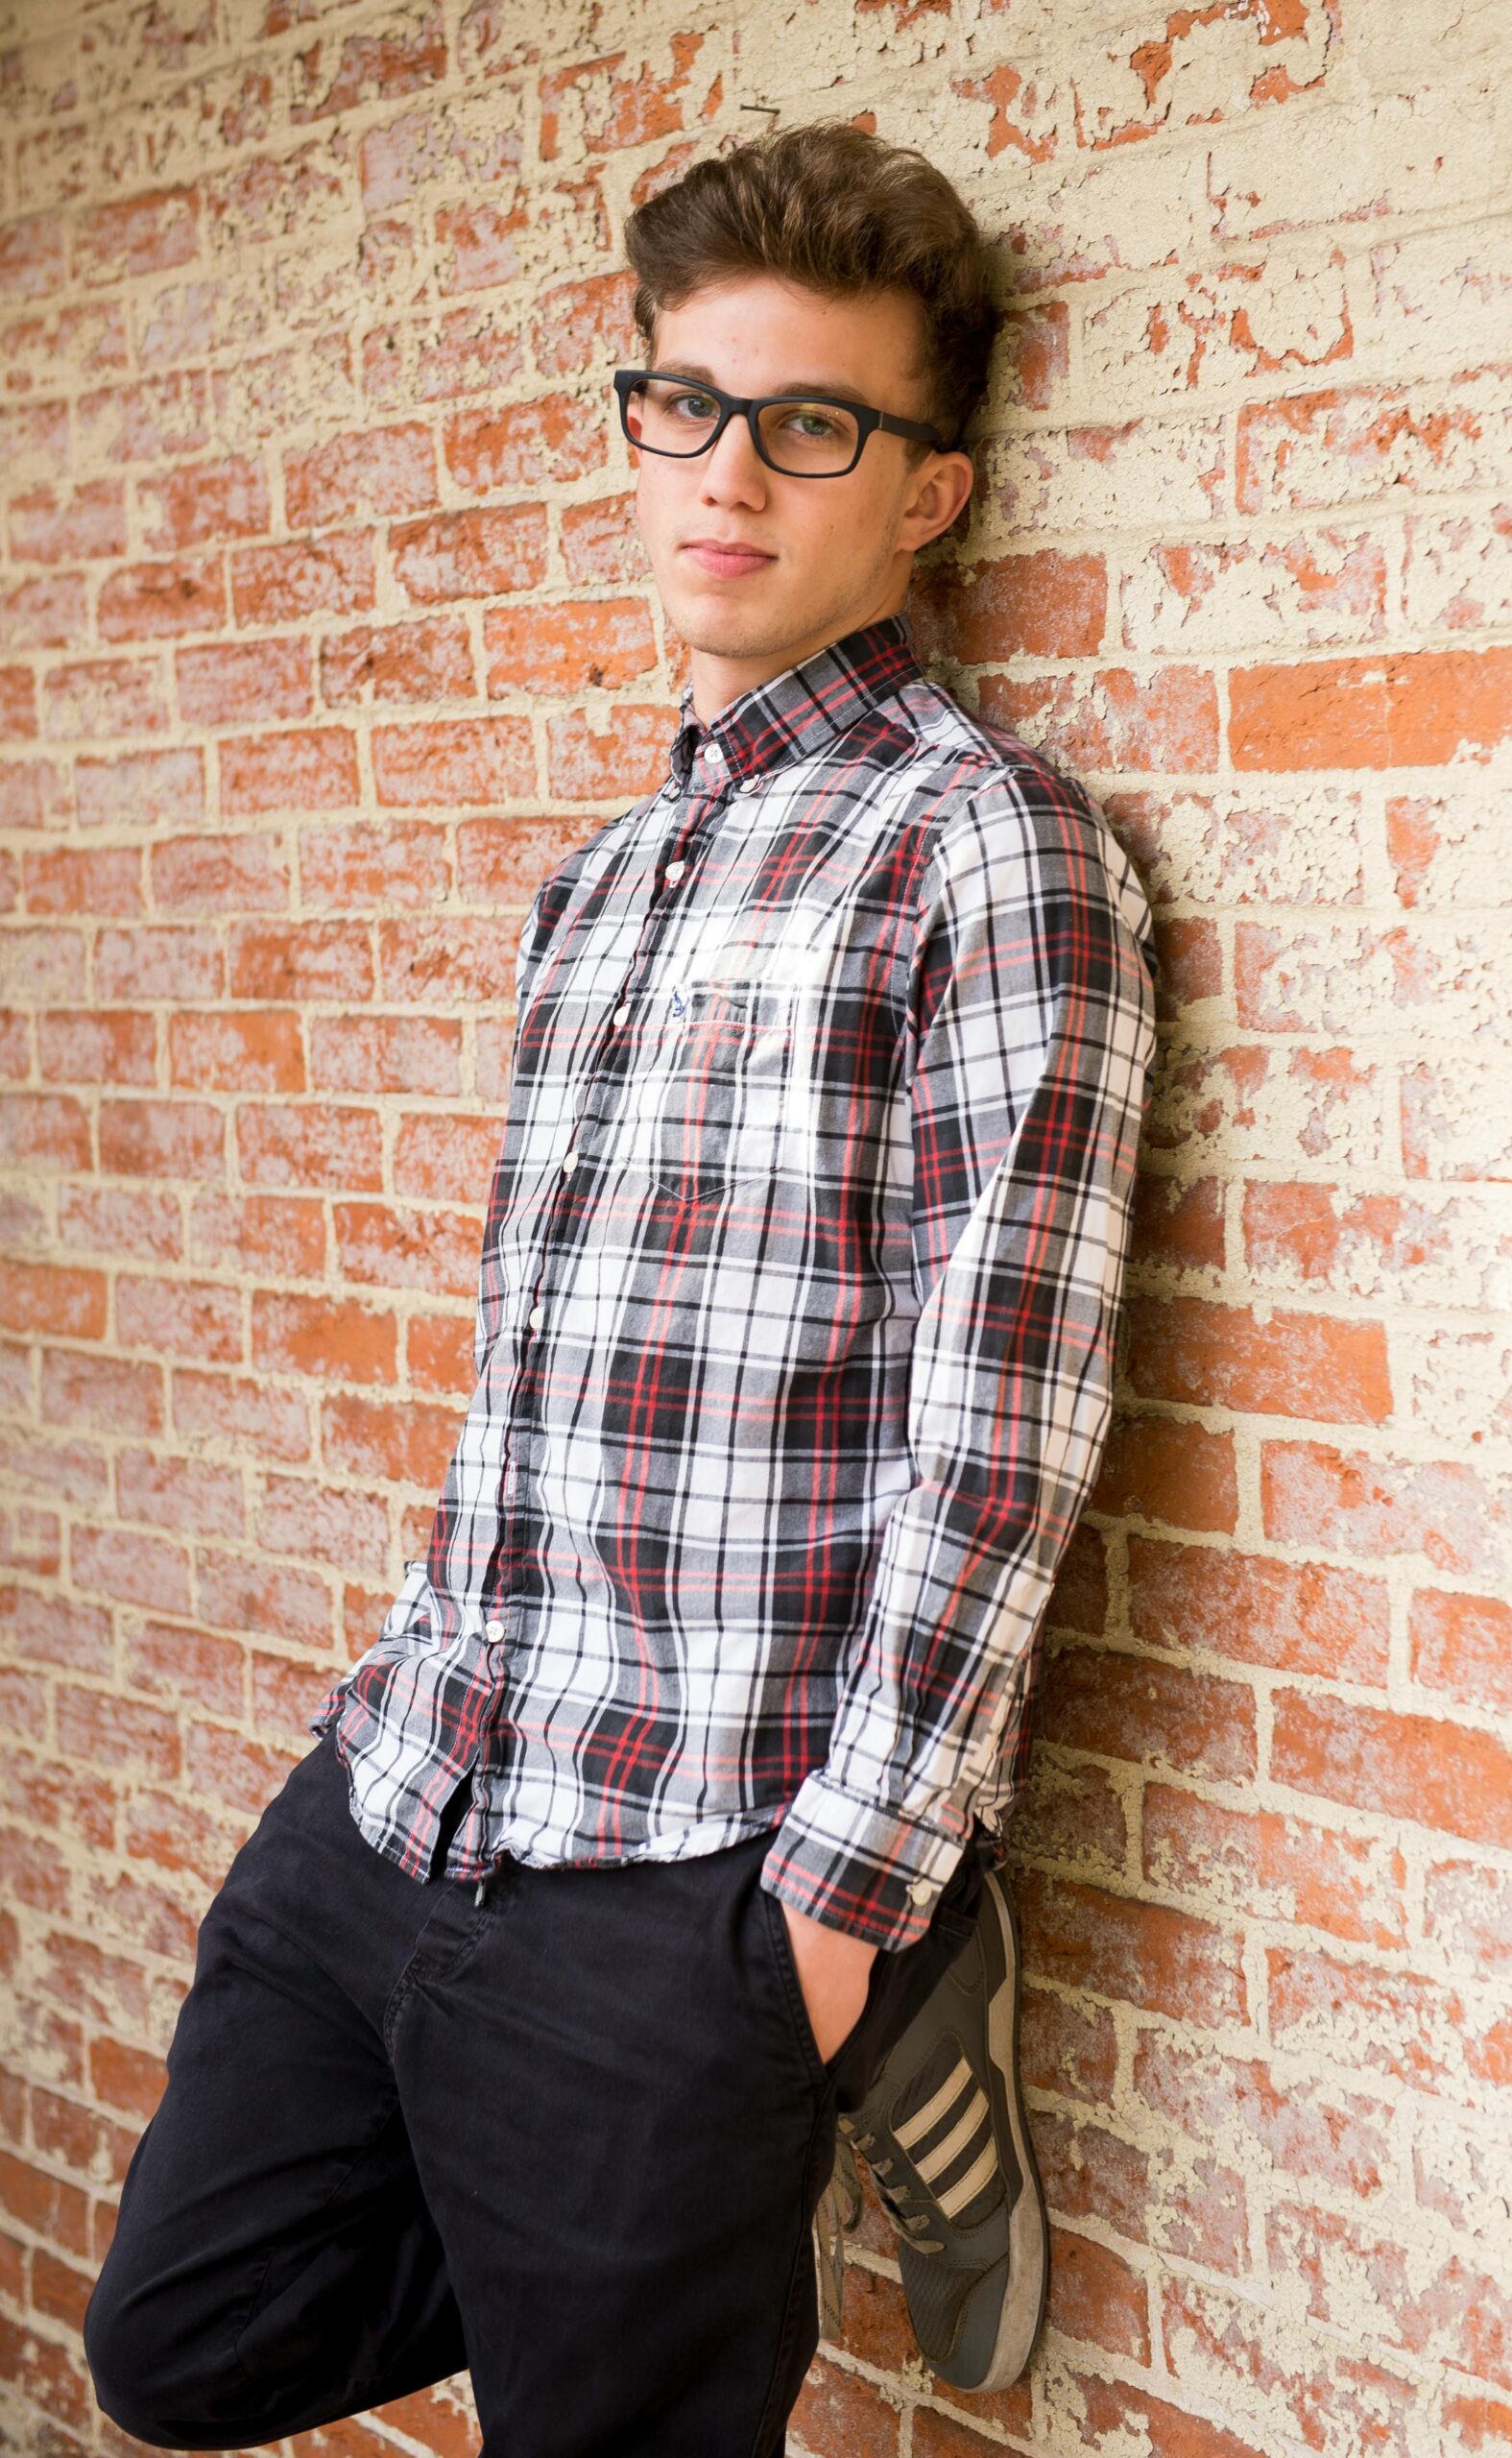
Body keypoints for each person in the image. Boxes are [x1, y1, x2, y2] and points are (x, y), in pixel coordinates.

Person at [82, 119, 1158, 2456]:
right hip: (411, 1779)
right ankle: (646, 2192)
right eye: (686, 403)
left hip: (683, 1884)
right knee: (180, 2338)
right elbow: (543, 1358)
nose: (730, 473)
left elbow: (1008, 1418)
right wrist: (407, 1665)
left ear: (927, 495)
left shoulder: (991, 847)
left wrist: (836, 1908)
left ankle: (849, 2037)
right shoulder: (604, 873)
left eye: (814, 424)